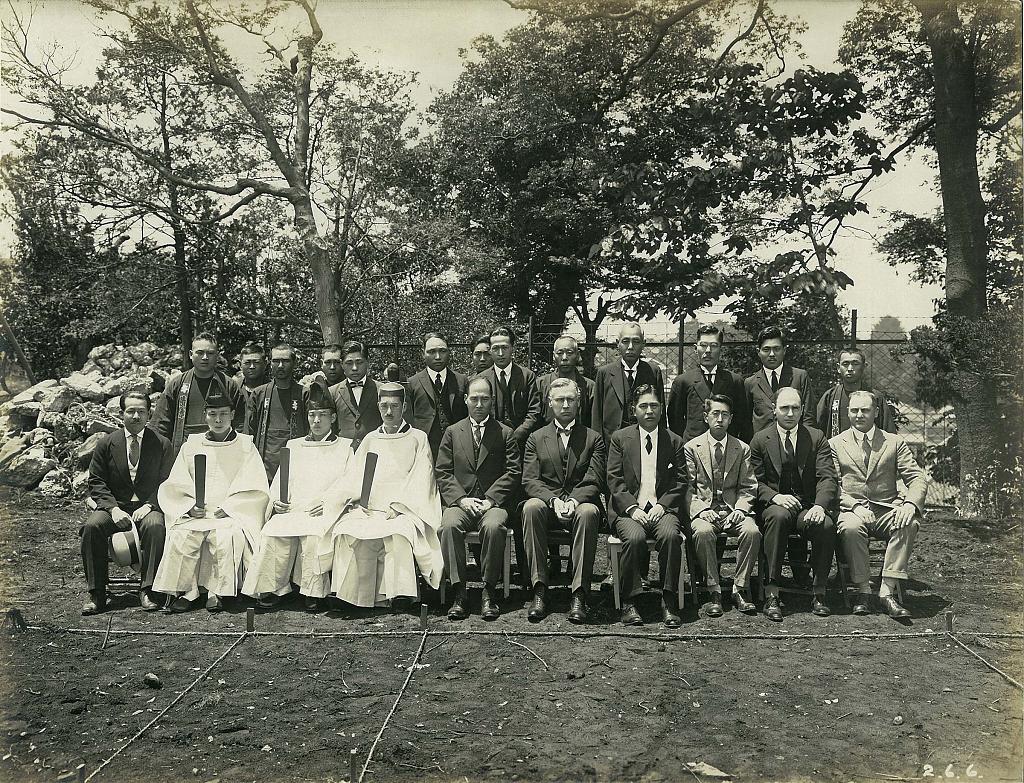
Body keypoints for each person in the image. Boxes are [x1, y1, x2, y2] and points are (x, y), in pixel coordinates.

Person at [319, 382, 444, 607]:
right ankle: (352, 595)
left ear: (404, 407)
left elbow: (421, 479)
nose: (388, 412)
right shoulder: (370, 439)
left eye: (394, 406)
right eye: (384, 406)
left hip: (404, 510)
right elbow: (354, 477)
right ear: (378, 406)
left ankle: (400, 594)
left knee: (400, 532)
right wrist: (349, 501)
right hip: (370, 508)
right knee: (347, 528)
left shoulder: (417, 438)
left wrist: (399, 507)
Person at [153, 381, 271, 613]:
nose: (218, 420)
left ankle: (217, 591)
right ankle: (188, 591)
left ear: (233, 415)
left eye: (224, 414)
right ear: (205, 415)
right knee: (182, 535)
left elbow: (255, 486)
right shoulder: (193, 444)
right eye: (213, 414)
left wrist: (231, 507)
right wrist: (187, 507)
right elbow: (177, 481)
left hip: (230, 513)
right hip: (198, 512)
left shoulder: (245, 445)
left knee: (225, 537)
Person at [243, 381, 353, 613]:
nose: (316, 421)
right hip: (293, 509)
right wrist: (277, 502)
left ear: (333, 418)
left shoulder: (345, 447)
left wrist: (328, 503)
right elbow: (280, 482)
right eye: (312, 415)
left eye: (323, 415)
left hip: (322, 510)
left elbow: (348, 484)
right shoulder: (294, 446)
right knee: (274, 532)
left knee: (313, 536)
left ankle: (312, 592)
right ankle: (274, 588)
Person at [830, 390, 928, 619]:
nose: (859, 415)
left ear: (876, 412)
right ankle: (863, 591)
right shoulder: (835, 444)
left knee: (909, 523)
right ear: (847, 413)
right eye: (854, 410)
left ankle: (887, 593)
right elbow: (832, 484)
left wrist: (910, 505)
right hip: (851, 509)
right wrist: (853, 506)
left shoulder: (893, 442)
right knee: (851, 528)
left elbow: (917, 477)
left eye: (865, 410)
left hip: (887, 508)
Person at [435, 376, 521, 621]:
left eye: (485, 399)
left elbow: (513, 471)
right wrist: (461, 499)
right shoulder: (453, 432)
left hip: (491, 503)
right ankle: (459, 591)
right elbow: (443, 470)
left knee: (494, 527)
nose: (479, 404)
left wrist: (491, 499)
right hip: (461, 502)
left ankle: (488, 590)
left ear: (492, 401)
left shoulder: (505, 433)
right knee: (449, 526)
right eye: (474, 399)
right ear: (466, 400)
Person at [749, 387, 838, 621]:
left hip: (807, 506)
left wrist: (819, 506)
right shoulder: (760, 439)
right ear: (774, 410)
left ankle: (819, 592)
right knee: (778, 518)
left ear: (802, 410)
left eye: (795, 408)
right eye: (784, 408)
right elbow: (753, 481)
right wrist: (774, 496)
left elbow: (827, 477)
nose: (790, 413)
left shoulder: (816, 438)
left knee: (826, 525)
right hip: (775, 505)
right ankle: (772, 593)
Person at [521, 378, 606, 624]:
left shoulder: (593, 438)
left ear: (579, 403)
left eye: (571, 399)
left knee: (589, 511)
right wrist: (553, 501)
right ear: (550, 403)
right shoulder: (536, 438)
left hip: (579, 506)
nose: (566, 404)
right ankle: (539, 589)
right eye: (560, 400)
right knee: (531, 506)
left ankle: (579, 593)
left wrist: (575, 501)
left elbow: (594, 479)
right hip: (548, 506)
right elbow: (529, 480)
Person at [81, 391, 173, 615]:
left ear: (149, 414)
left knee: (155, 526)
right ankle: (97, 593)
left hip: (148, 505)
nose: (135, 416)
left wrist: (150, 505)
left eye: (141, 411)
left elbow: (168, 481)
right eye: (130, 411)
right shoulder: (106, 443)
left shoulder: (161, 444)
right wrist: (112, 509)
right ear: (121, 413)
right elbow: (96, 480)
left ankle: (149, 589)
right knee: (92, 527)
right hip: (114, 506)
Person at [606, 385, 685, 628]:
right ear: (634, 410)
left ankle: (668, 599)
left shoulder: (673, 440)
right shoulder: (621, 439)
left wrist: (663, 505)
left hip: (663, 509)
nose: (649, 411)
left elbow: (681, 480)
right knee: (635, 538)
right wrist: (632, 508)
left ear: (661, 409)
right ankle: (630, 601)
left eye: (654, 406)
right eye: (643, 406)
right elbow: (614, 478)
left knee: (671, 536)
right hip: (629, 509)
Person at [684, 394, 761, 618]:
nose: (720, 419)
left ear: (731, 419)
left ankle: (739, 588)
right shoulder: (692, 447)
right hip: (705, 509)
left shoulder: (741, 448)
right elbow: (687, 488)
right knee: (703, 531)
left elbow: (748, 486)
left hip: (732, 509)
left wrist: (739, 509)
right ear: (706, 417)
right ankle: (713, 590)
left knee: (752, 531)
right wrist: (702, 510)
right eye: (715, 414)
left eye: (724, 415)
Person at [152, 332, 245, 456]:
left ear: (217, 356)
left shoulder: (229, 385)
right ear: (191, 355)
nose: (205, 357)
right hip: (185, 451)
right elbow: (161, 423)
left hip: (221, 450)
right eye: (200, 353)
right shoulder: (178, 384)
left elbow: (240, 423)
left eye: (210, 353)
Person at [668, 324, 748, 443]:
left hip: (726, 445)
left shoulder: (734, 381)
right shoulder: (683, 381)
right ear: (696, 349)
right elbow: (675, 419)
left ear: (721, 348)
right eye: (703, 345)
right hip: (692, 446)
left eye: (714, 345)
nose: (708, 351)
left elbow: (741, 418)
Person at [244, 343, 309, 479]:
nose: (280, 365)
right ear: (270, 363)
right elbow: (249, 433)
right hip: (265, 465)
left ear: (294, 363)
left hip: (297, 464)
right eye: (276, 361)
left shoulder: (304, 394)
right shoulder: (259, 394)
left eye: (285, 361)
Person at [592, 322, 665, 443]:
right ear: (618, 343)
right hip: (612, 444)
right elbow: (597, 415)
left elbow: (660, 413)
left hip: (644, 442)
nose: (630, 346)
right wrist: (598, 448)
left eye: (636, 341)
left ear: (643, 344)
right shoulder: (604, 373)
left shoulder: (653, 372)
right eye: (625, 341)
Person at [404, 332, 469, 461]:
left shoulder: (462, 381)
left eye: (442, 351)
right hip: (425, 450)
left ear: (449, 352)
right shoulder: (412, 383)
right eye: (432, 351)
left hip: (457, 449)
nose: (438, 356)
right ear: (423, 354)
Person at [744, 326, 816, 436]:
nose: (772, 354)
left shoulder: (800, 377)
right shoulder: (750, 383)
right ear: (758, 352)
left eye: (776, 349)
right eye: (766, 349)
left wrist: (805, 444)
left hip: (794, 445)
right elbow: (746, 422)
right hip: (763, 447)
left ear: (784, 350)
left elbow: (809, 416)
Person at [478, 326, 542, 450]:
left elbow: (534, 411)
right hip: (490, 444)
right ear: (490, 350)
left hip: (521, 444)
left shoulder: (527, 376)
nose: (500, 353)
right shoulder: (482, 379)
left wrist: (516, 436)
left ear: (512, 348)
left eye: (505, 348)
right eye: (496, 348)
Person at [816, 347, 897, 439]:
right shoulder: (830, 396)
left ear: (864, 366)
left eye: (855, 364)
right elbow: (816, 430)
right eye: (845, 364)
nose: (850, 368)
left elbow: (889, 433)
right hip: (836, 450)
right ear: (838, 368)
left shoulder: (875, 396)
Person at [329, 340, 381, 449]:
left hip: (374, 450)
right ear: (342, 364)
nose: (354, 368)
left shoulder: (380, 389)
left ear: (367, 362)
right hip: (343, 453)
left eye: (359, 362)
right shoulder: (332, 392)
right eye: (349, 363)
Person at [536, 334, 595, 429]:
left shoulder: (589, 386)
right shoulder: (541, 384)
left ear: (577, 355)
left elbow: (594, 421)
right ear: (553, 356)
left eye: (569, 353)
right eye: (560, 353)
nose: (564, 357)